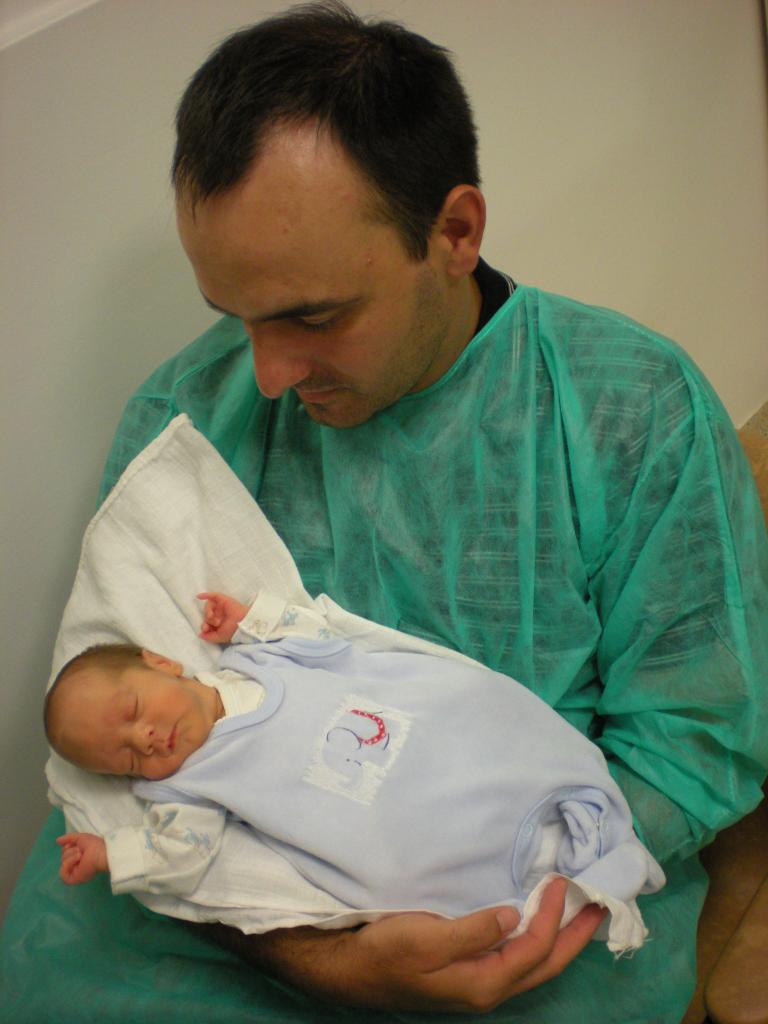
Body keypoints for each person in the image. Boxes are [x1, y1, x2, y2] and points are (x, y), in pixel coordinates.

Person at [90, 1, 768, 1019]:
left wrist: (483, 890)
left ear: (454, 232)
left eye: (314, 316)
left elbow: (694, 744)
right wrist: (310, 945)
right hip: (220, 899)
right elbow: (110, 740)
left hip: (518, 897)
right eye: (237, 319)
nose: (267, 376)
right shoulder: (183, 421)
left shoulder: (632, 411)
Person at [49, 591, 663, 952]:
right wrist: (112, 853)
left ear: (162, 663)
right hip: (389, 820)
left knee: (471, 720)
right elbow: (180, 854)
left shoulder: (255, 660)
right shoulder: (190, 785)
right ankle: (563, 879)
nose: (144, 738)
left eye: (132, 711)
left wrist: (251, 618)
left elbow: (325, 639)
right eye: (126, 757)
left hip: (431, 743)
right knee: (416, 856)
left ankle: (566, 808)